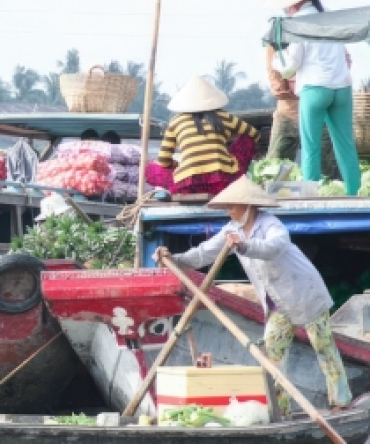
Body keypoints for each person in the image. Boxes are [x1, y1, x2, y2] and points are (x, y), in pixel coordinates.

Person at [152, 176, 352, 418]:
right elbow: (204, 253)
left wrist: (244, 246)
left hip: (304, 293)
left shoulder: (271, 225)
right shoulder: (231, 230)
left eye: (232, 206)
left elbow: (274, 247)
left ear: (248, 206)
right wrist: (174, 259)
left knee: (324, 347)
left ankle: (342, 401)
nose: (229, 212)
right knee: (273, 354)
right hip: (277, 304)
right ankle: (281, 411)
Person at [267, 0, 360, 195]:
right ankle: (355, 193)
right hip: (342, 88)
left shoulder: (299, 21)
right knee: (346, 145)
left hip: (315, 89)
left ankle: (312, 193)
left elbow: (292, 65)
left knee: (310, 147)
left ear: (296, 2)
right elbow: (345, 55)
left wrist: (275, 62)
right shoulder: (330, 15)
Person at [145, 75, 260, 195]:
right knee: (247, 140)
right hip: (225, 182)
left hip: (187, 186)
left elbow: (163, 161)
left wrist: (175, 165)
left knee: (150, 169)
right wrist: (229, 151)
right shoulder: (224, 116)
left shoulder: (175, 121)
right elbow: (254, 135)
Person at [264, 43, 340, 179]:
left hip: (319, 112)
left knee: (327, 171)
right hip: (288, 111)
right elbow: (277, 82)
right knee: (274, 169)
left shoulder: (325, 38)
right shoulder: (280, 37)